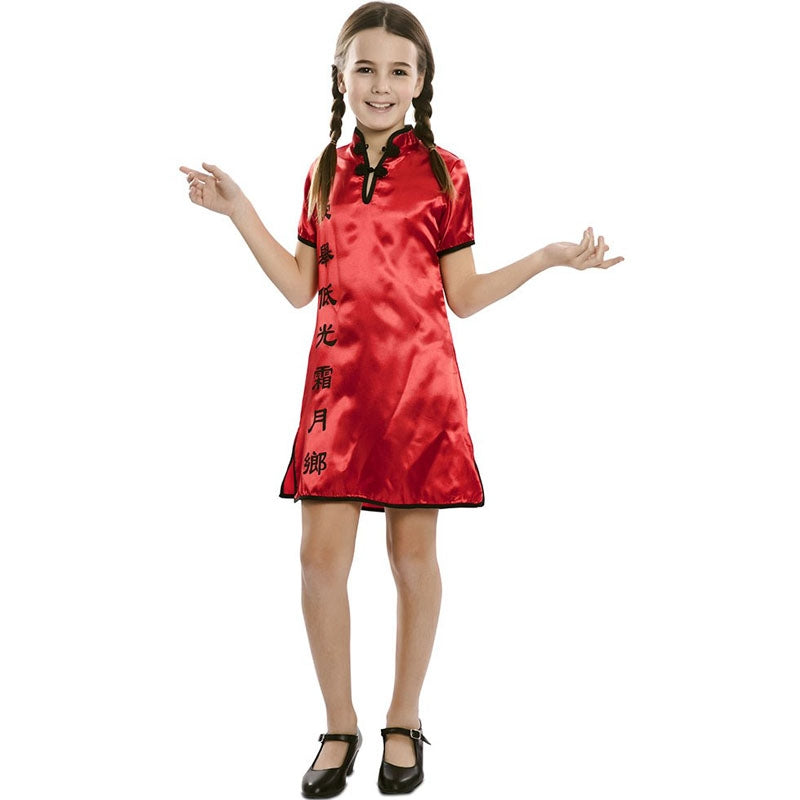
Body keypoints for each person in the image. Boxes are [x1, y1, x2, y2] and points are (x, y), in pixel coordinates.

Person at [179, 2, 624, 795]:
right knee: (318, 559)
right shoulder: (322, 172)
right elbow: (299, 288)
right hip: (339, 388)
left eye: (397, 70)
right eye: (365, 68)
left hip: (420, 389)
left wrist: (550, 258)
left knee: (412, 557)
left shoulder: (448, 173)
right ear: (340, 77)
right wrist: (239, 212)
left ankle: (404, 718)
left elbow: (465, 296)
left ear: (420, 81)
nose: (380, 85)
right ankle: (337, 724)